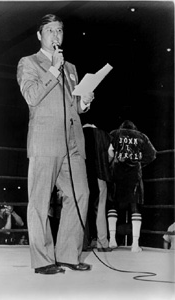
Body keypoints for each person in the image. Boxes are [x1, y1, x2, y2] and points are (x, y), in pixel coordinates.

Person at [17, 14, 94, 274]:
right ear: (40, 35)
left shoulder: (70, 67)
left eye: (59, 31)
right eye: (50, 31)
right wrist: (52, 69)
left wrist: (84, 102)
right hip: (45, 141)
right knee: (39, 202)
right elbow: (32, 96)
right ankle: (42, 260)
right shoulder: (28, 63)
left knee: (80, 194)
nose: (56, 36)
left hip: (73, 142)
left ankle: (68, 254)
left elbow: (73, 106)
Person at [108, 120, 156, 252]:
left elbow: (108, 152)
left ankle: (112, 240)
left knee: (113, 205)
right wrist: (139, 162)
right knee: (135, 206)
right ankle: (135, 244)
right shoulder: (141, 136)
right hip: (134, 175)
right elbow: (152, 155)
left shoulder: (114, 134)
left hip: (117, 173)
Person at [83, 124, 114, 252]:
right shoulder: (105, 135)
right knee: (100, 208)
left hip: (83, 175)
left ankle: (82, 243)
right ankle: (102, 243)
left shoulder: (78, 132)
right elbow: (111, 154)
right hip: (100, 175)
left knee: (81, 207)